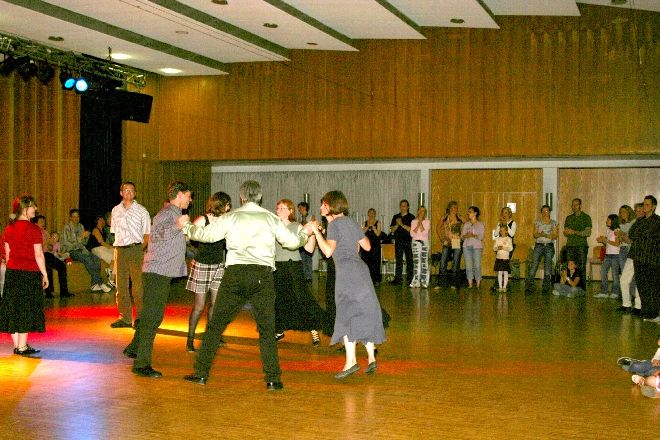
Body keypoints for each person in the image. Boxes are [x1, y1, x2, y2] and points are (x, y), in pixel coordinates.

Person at [178, 180, 312, 390]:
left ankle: (201, 373)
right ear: (260, 197)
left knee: (216, 325)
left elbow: (205, 235)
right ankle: (273, 379)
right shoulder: (270, 218)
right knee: (267, 329)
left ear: (241, 197)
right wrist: (305, 232)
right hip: (262, 275)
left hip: (235, 275)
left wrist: (186, 225)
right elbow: (293, 243)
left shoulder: (231, 217)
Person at [310, 191, 386, 379]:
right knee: (362, 312)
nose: (320, 208)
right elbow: (366, 246)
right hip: (361, 271)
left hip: (346, 274)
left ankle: (351, 362)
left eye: (323, 205)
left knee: (346, 314)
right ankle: (371, 358)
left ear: (331, 206)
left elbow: (327, 252)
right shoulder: (351, 222)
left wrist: (316, 232)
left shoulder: (334, 224)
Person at [123, 181, 192, 378]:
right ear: (180, 195)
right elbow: (159, 233)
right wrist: (178, 225)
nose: (190, 200)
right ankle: (141, 364)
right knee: (153, 318)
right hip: (157, 272)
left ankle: (134, 348)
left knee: (149, 315)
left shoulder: (175, 214)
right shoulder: (167, 214)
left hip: (160, 272)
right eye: (188, 196)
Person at [273, 199, 329, 346]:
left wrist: (313, 232)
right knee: (279, 300)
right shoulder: (273, 227)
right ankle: (279, 330)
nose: (279, 210)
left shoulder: (297, 226)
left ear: (290, 211)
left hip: (293, 267)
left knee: (303, 299)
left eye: (282, 208)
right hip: (277, 267)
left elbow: (309, 249)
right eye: (278, 208)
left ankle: (314, 329)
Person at [0, 195, 48, 356]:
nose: (36, 209)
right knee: (26, 308)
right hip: (29, 273)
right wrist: (45, 274)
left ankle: (18, 345)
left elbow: (8, 254)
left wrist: (12, 269)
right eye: (33, 206)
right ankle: (21, 347)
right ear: (24, 209)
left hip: (12, 272)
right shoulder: (34, 229)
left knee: (13, 308)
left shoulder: (9, 228)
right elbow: (38, 255)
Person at [185, 191, 231, 352]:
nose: (229, 207)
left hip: (218, 265)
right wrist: (195, 251)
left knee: (216, 304)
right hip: (202, 265)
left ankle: (212, 336)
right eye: (227, 204)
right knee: (199, 306)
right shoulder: (202, 219)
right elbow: (188, 237)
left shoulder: (225, 221)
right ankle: (190, 339)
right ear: (220, 204)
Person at [110, 182, 151, 329]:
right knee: (121, 286)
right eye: (125, 190)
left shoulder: (142, 211)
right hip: (120, 250)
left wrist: (140, 249)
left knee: (137, 287)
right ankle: (125, 318)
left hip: (135, 249)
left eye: (131, 190)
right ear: (121, 193)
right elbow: (114, 232)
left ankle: (140, 318)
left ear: (135, 193)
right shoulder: (115, 210)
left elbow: (147, 234)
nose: (128, 192)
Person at [61, 209, 111, 293]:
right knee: (87, 259)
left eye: (77, 217)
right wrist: (80, 237)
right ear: (70, 218)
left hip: (81, 249)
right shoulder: (67, 227)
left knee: (96, 259)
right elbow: (67, 244)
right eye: (74, 217)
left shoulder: (81, 226)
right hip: (70, 251)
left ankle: (94, 285)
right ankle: (100, 282)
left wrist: (86, 237)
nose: (76, 219)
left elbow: (84, 243)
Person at [627, 195, 660, 321]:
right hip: (639, 258)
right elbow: (632, 233)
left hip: (652, 259)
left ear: (653, 207)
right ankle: (646, 311)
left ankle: (654, 313)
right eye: (644, 204)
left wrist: (640, 235)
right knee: (642, 286)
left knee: (653, 287)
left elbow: (647, 233)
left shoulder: (657, 221)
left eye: (647, 205)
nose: (644, 207)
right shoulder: (639, 221)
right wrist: (640, 235)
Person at [35, 215, 72, 299]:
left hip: (48, 254)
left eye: (44, 222)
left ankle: (64, 291)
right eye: (41, 222)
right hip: (39, 255)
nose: (43, 224)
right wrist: (48, 242)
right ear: (36, 224)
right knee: (47, 268)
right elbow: (37, 247)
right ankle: (48, 292)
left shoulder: (46, 232)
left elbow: (50, 247)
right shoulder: (34, 233)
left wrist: (51, 244)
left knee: (62, 266)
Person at [525, 205, 558, 294]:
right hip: (539, 245)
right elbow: (535, 234)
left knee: (547, 267)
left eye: (546, 211)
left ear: (549, 212)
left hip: (549, 246)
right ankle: (529, 286)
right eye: (543, 211)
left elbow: (555, 236)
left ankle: (546, 287)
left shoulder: (553, 223)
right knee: (534, 265)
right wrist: (542, 234)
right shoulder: (537, 222)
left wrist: (546, 235)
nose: (544, 213)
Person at [615, 204, 639, 313]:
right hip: (627, 251)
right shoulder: (623, 224)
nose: (622, 214)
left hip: (635, 252)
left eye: (624, 211)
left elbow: (631, 239)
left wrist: (623, 235)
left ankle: (638, 305)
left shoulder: (634, 222)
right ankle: (626, 304)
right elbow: (623, 240)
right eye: (621, 212)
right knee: (624, 278)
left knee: (637, 280)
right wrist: (621, 237)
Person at [434, 201, 463, 290]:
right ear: (449, 208)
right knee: (443, 262)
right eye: (454, 207)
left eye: (456, 207)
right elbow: (437, 228)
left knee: (455, 262)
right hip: (447, 241)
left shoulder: (459, 217)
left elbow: (468, 225)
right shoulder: (445, 217)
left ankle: (454, 284)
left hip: (456, 241)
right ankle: (441, 283)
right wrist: (442, 239)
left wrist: (462, 236)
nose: (455, 209)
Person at [594, 214, 621, 299]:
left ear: (613, 221)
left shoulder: (617, 230)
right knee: (603, 271)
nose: (606, 221)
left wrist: (606, 240)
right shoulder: (608, 230)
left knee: (615, 275)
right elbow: (607, 244)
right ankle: (604, 292)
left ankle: (615, 292)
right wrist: (602, 241)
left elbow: (617, 244)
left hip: (616, 255)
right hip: (608, 255)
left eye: (608, 220)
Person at [563, 198, 592, 274]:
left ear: (580, 206)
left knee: (581, 268)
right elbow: (565, 232)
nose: (574, 206)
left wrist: (574, 232)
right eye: (573, 205)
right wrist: (566, 232)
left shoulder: (586, 217)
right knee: (570, 269)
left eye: (576, 205)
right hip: (570, 246)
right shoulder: (568, 218)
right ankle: (570, 282)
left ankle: (582, 282)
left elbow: (588, 233)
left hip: (581, 246)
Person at [389, 199, 414, 286]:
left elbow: (411, 230)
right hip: (398, 241)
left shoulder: (411, 217)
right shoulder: (396, 216)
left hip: (408, 241)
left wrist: (402, 224)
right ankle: (398, 279)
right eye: (401, 206)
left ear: (408, 207)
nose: (402, 207)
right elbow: (392, 230)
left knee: (409, 260)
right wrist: (397, 224)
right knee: (399, 261)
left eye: (404, 206)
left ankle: (410, 279)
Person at [86, 215, 116, 287]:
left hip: (102, 248)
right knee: (115, 257)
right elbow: (101, 242)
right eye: (100, 220)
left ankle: (110, 276)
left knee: (117, 257)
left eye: (103, 220)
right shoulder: (95, 230)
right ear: (97, 222)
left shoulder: (104, 231)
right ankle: (110, 276)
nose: (102, 221)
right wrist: (112, 247)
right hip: (96, 248)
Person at [461, 206, 485, 289]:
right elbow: (462, 237)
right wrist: (466, 235)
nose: (468, 213)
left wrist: (474, 235)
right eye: (468, 212)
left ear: (475, 213)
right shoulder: (466, 224)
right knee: (468, 266)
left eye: (470, 212)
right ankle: (470, 284)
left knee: (477, 266)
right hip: (466, 246)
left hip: (477, 247)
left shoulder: (480, 224)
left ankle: (478, 283)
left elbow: (481, 237)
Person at [360, 208, 382, 286]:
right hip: (366, 245)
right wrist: (367, 227)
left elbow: (378, 234)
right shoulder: (365, 222)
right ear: (368, 214)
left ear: (375, 214)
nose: (371, 214)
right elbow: (361, 233)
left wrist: (373, 227)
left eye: (373, 213)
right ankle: (366, 279)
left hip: (375, 246)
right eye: (370, 213)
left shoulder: (378, 222)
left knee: (375, 263)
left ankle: (376, 280)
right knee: (366, 262)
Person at [409, 206, 430, 288]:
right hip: (415, 243)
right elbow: (412, 234)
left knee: (424, 262)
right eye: (420, 211)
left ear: (425, 213)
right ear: (418, 211)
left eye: (423, 211)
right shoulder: (413, 221)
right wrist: (418, 224)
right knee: (416, 262)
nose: (421, 212)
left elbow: (424, 233)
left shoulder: (427, 222)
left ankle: (424, 281)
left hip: (424, 243)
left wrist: (421, 222)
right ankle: (415, 281)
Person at [493, 224, 513, 292]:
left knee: (505, 273)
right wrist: (497, 248)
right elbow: (494, 248)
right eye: (500, 231)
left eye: (503, 230)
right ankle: (500, 287)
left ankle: (504, 287)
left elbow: (511, 248)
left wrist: (504, 248)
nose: (502, 232)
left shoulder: (509, 239)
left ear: (506, 231)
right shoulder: (497, 239)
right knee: (500, 273)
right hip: (499, 258)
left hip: (505, 259)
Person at [297, 201, 313, 282]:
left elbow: (310, 227)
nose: (299, 209)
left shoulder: (311, 216)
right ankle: (303, 276)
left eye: (300, 207)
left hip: (309, 241)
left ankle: (309, 276)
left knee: (308, 259)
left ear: (304, 207)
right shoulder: (299, 217)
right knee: (302, 259)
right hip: (301, 240)